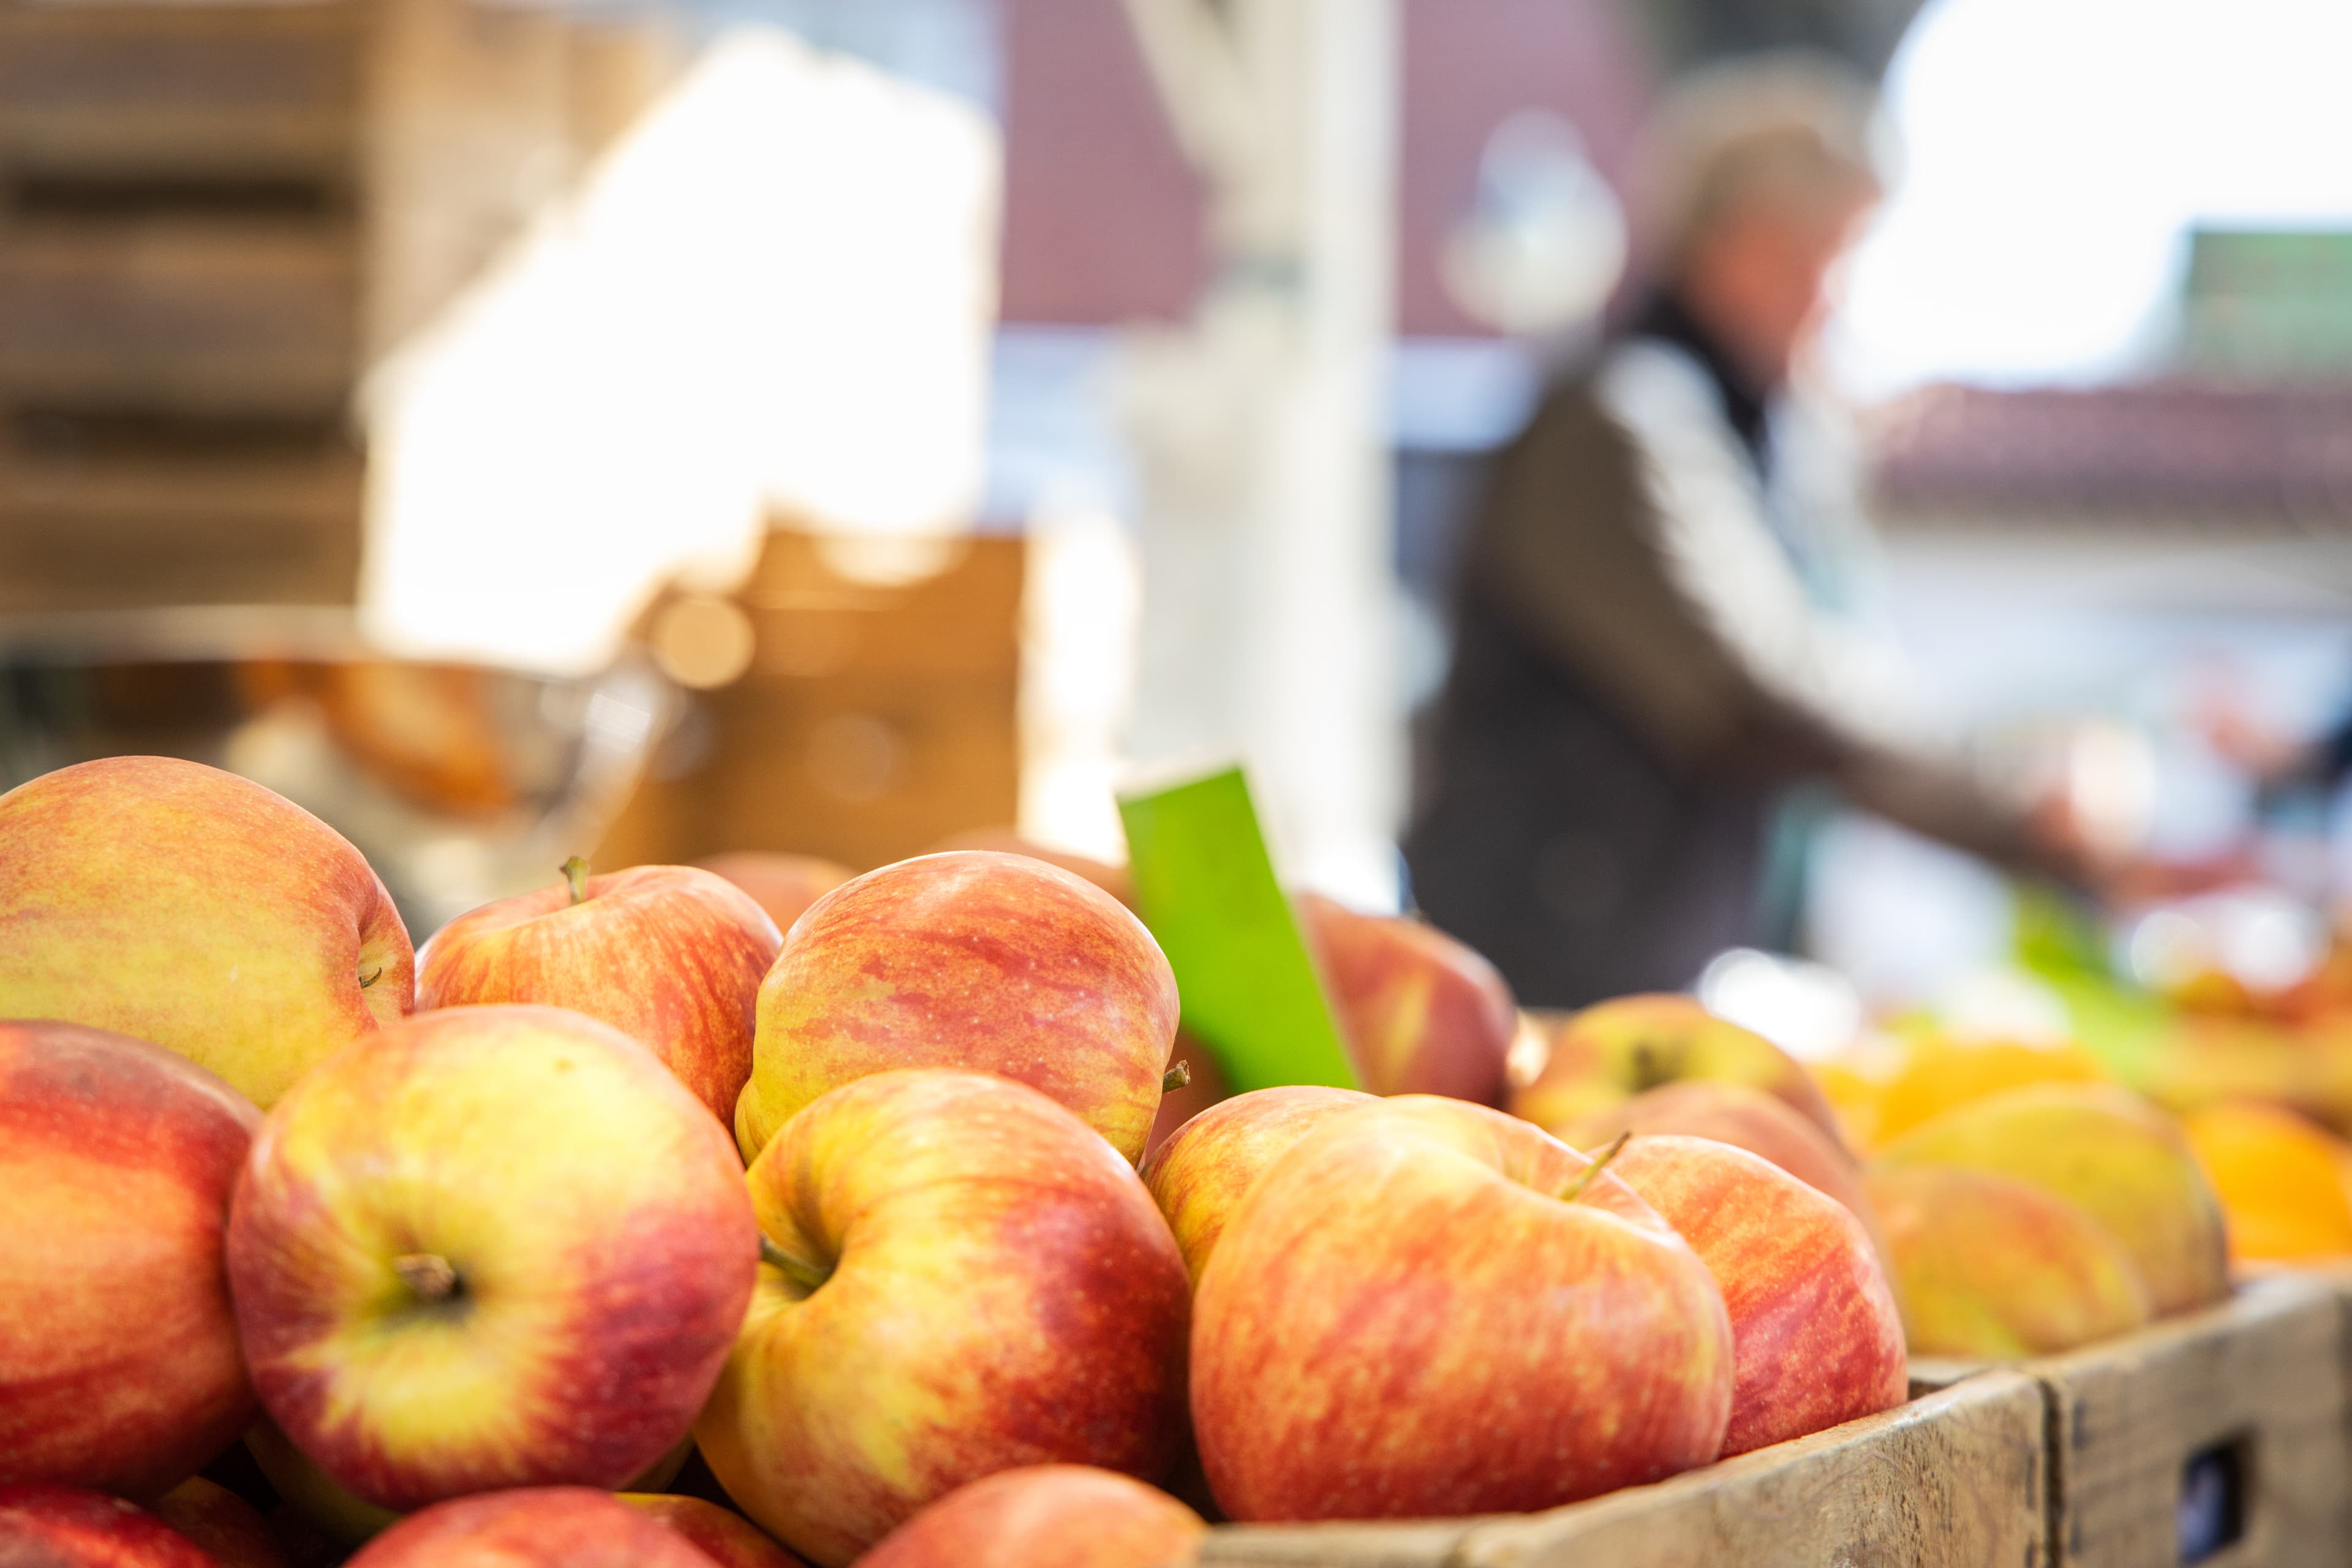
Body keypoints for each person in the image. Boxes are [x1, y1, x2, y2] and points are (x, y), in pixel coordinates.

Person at [1403, 54, 2097, 1009]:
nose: (1843, 300)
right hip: (1545, 977)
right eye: (1836, 256)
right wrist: (2018, 811)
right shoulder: (1624, 423)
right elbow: (1755, 689)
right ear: (1747, 244)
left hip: (1625, 958)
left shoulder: (1751, 431)